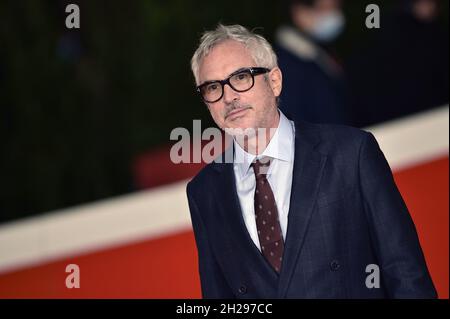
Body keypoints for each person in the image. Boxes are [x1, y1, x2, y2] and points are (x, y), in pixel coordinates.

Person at [186, 24, 436, 298]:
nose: (229, 97)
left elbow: (405, 272)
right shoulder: (204, 192)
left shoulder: (351, 154)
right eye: (213, 87)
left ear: (275, 81)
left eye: (241, 77)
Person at [275, 0, 350, 124]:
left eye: (336, 8)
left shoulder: (318, 52)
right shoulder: (287, 66)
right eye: (325, 10)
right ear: (299, 12)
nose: (334, 16)